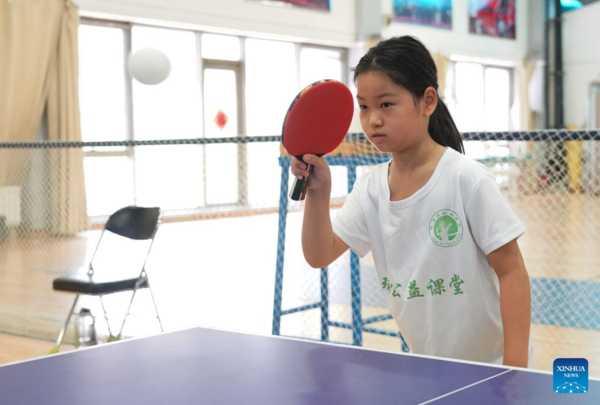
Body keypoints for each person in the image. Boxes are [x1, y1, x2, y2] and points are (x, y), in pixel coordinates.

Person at [290, 36, 533, 368]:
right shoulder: (371, 188)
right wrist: (318, 193)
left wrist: (515, 368)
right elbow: (319, 254)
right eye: (364, 106)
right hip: (428, 368)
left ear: (427, 101)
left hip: (492, 367)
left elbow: (512, 271)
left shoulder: (467, 179)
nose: (372, 119)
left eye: (386, 104)